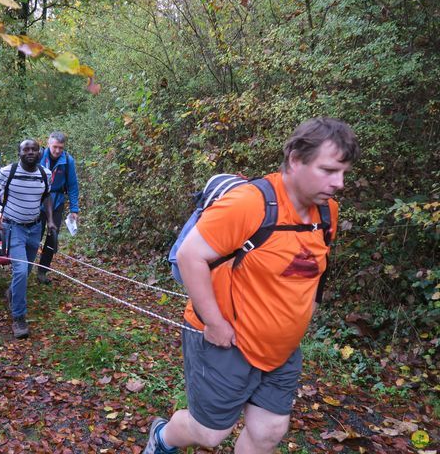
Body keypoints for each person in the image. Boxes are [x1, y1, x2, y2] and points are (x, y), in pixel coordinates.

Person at [143, 118, 360, 454]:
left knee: (269, 431)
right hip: (226, 340)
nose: (339, 183)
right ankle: (162, 438)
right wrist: (214, 323)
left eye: (343, 172)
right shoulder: (251, 203)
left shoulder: (327, 211)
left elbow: (316, 267)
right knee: (210, 433)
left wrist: (304, 312)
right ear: (295, 160)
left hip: (281, 349)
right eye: (329, 170)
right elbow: (189, 257)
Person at [0, 139, 56, 339]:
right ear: (19, 152)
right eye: (26, 149)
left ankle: (12, 293)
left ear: (40, 153)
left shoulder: (45, 174)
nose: (30, 152)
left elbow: (47, 197)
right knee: (20, 269)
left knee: (25, 270)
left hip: (35, 227)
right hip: (13, 227)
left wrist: (50, 220)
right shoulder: (6, 172)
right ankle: (18, 318)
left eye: (34, 149)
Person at [36, 131, 80, 284]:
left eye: (60, 148)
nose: (57, 151)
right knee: (34, 234)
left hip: (56, 202)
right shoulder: (38, 156)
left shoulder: (68, 160)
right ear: (49, 144)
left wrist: (74, 209)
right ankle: (25, 266)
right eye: (55, 147)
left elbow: (73, 185)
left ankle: (42, 271)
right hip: (37, 201)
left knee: (51, 237)